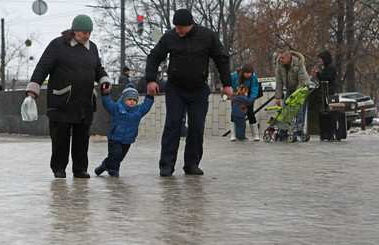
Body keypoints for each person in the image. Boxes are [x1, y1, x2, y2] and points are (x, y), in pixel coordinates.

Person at [145, 9, 232, 176]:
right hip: (175, 89)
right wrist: (150, 80)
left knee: (196, 126)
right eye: (176, 27)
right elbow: (154, 56)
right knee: (173, 125)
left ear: (190, 25)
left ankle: (192, 164)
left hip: (199, 90)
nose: (177, 31)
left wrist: (227, 84)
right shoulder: (170, 37)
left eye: (180, 28)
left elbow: (221, 58)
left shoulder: (207, 36)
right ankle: (167, 165)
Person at [25, 14, 112, 178]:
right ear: (74, 31)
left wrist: (104, 81)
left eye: (89, 33)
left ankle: (80, 169)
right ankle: (59, 169)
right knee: (60, 139)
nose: (86, 36)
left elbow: (98, 68)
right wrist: (33, 89)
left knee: (82, 139)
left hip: (84, 101)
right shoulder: (58, 45)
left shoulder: (92, 47)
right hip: (62, 100)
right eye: (82, 33)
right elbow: (43, 67)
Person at [94, 83, 154, 177]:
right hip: (115, 137)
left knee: (120, 157)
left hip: (128, 139)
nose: (132, 102)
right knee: (116, 154)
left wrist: (150, 96)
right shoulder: (117, 108)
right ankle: (114, 172)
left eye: (134, 100)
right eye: (129, 99)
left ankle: (104, 166)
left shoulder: (138, 111)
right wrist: (105, 94)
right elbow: (108, 104)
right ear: (124, 99)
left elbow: (146, 106)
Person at [275, 49, 310, 135]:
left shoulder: (299, 64)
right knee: (286, 110)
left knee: (299, 110)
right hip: (290, 88)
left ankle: (299, 131)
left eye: (283, 58)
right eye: (280, 58)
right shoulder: (280, 66)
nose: (281, 59)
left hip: (301, 88)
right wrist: (278, 97)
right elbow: (279, 81)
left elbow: (302, 81)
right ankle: (283, 131)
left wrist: (296, 96)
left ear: (289, 57)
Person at [230, 64, 260, 141]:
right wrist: (234, 94)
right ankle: (233, 135)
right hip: (236, 97)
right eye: (247, 73)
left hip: (248, 97)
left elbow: (254, 89)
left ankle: (255, 135)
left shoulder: (253, 78)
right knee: (234, 115)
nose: (248, 75)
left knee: (250, 114)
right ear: (243, 72)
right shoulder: (235, 76)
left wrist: (251, 99)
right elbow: (231, 85)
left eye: (250, 73)